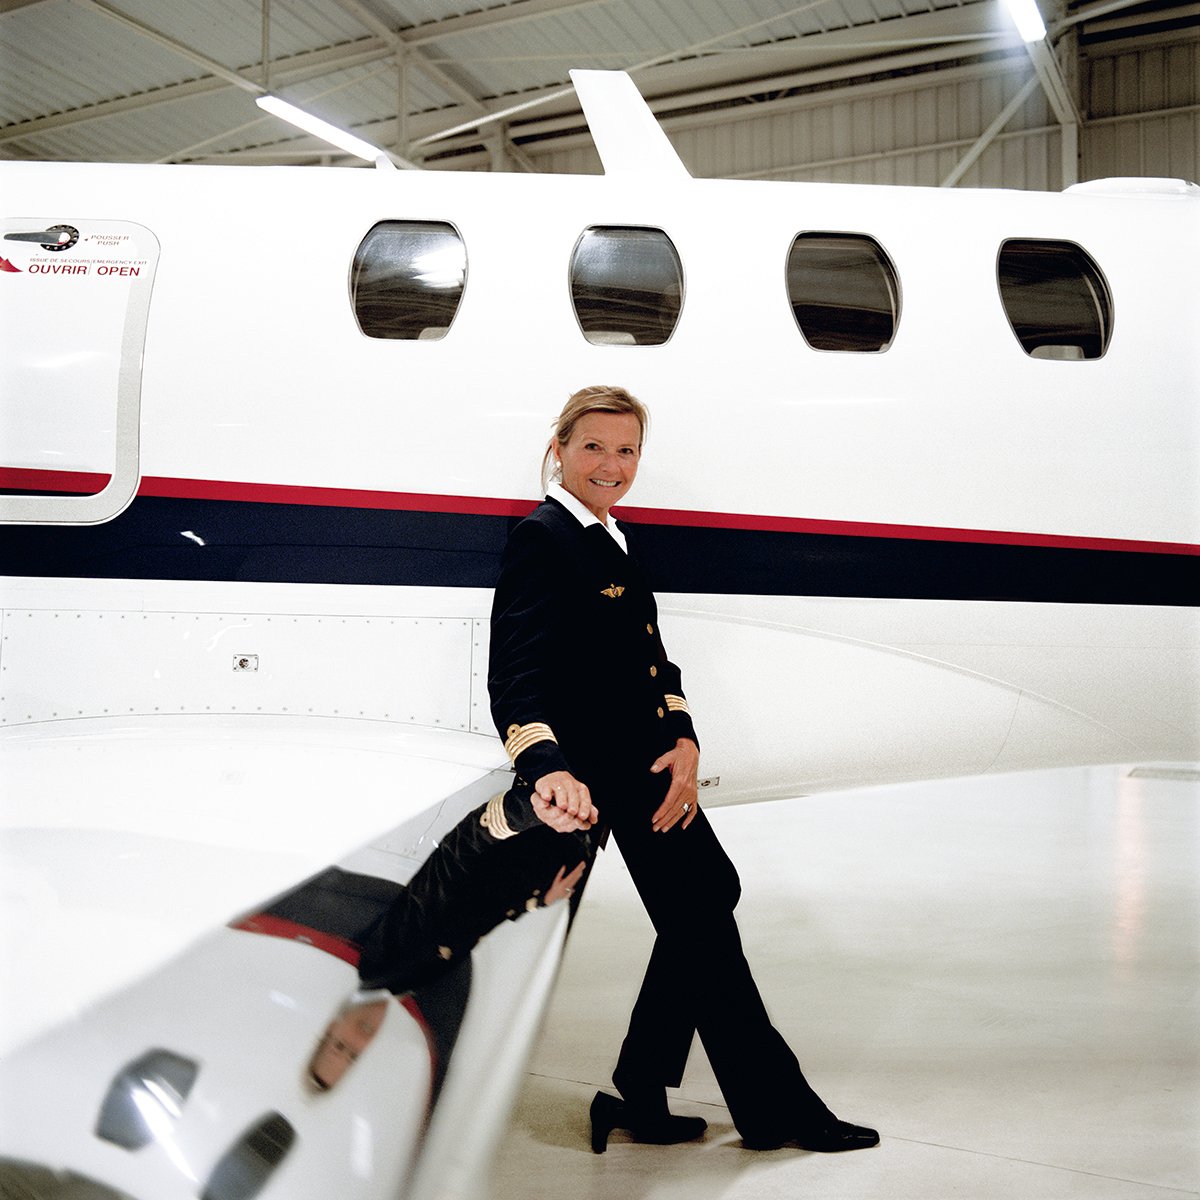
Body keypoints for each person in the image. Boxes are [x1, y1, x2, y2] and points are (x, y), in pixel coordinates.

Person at [488, 385, 879, 1154]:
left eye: (626, 450)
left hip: (651, 769)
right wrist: (546, 767)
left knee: (706, 902)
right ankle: (774, 1109)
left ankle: (640, 1089)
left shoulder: (613, 538)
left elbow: (652, 661)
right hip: (599, 781)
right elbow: (516, 678)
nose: (611, 464)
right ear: (558, 449)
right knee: (704, 913)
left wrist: (688, 741)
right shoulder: (545, 538)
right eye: (594, 446)